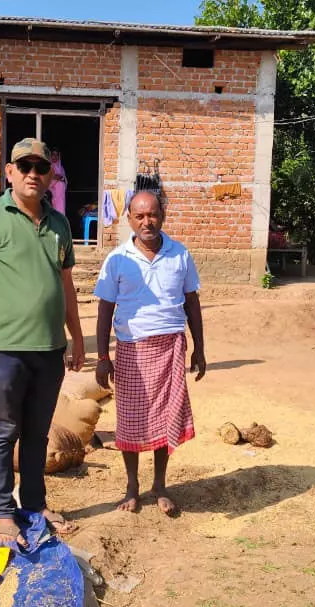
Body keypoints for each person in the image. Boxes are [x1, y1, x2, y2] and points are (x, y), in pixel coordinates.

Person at [0, 138, 87, 548]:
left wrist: (77, 338)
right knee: (4, 430)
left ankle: (34, 503)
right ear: (9, 172)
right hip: (5, 348)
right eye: (23, 166)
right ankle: (3, 512)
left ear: (51, 177)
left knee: (38, 433)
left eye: (40, 167)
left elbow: (66, 287)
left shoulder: (59, 224)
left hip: (48, 349)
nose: (32, 173)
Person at [94, 190, 205, 515]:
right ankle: (132, 486)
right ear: (129, 219)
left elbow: (192, 303)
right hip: (131, 349)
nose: (147, 222)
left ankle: (159, 484)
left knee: (167, 418)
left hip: (172, 347)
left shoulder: (180, 254)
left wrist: (199, 347)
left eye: (153, 214)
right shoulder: (117, 259)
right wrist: (102, 357)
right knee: (129, 422)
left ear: (163, 215)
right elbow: (104, 310)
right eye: (140, 216)